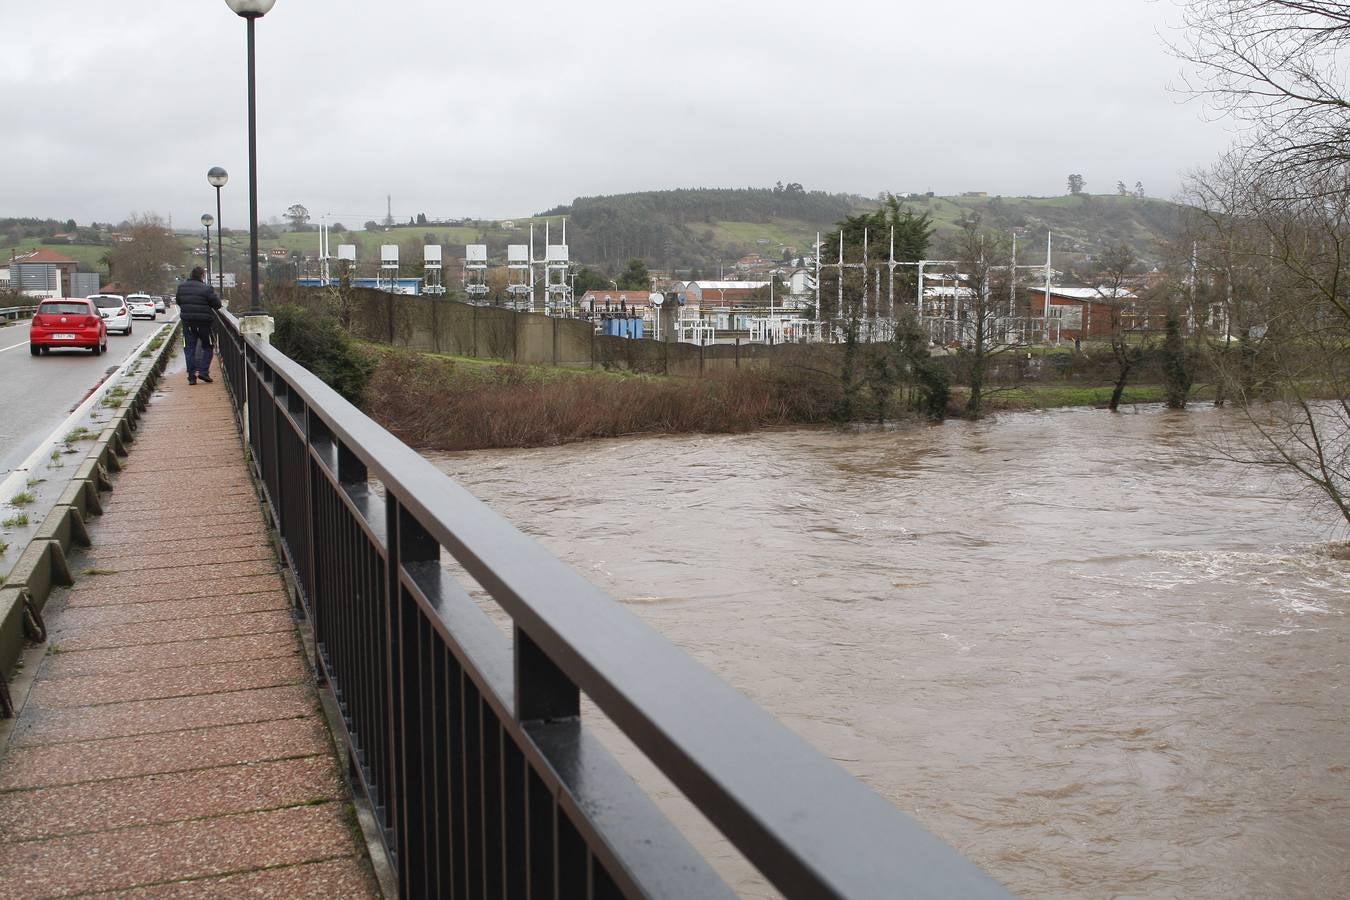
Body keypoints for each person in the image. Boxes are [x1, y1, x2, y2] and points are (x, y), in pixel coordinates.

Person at [175, 266, 222, 385]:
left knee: (189, 349)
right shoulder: (206, 289)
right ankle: (203, 371)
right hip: (204, 324)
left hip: (188, 324)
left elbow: (178, 302)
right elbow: (217, 305)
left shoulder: (181, 287)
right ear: (202, 275)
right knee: (208, 346)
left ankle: (191, 377)